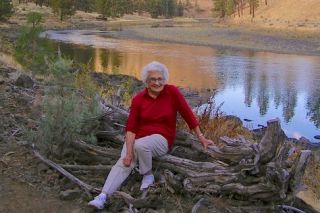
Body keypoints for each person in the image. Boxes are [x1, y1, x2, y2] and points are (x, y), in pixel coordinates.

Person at [88, 61, 213, 209]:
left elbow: (188, 114)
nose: (157, 82)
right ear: (146, 81)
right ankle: (102, 196)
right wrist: (128, 153)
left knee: (140, 145)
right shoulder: (139, 99)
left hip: (162, 139)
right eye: (153, 79)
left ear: (164, 79)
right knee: (123, 162)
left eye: (160, 79)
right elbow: (131, 129)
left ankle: (147, 174)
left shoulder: (172, 92)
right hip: (138, 140)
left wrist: (201, 137)